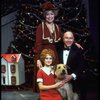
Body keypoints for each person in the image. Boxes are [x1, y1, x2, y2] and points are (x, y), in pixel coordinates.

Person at [33, 1, 83, 92]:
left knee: (55, 77)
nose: (50, 16)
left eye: (52, 14)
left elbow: (64, 37)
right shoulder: (41, 27)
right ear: (45, 15)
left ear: (54, 15)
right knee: (45, 77)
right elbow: (38, 43)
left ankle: (55, 95)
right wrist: (38, 59)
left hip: (55, 55)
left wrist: (75, 42)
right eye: (47, 14)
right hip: (44, 56)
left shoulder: (57, 27)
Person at [57, 30, 86, 100]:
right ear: (63, 39)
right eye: (66, 38)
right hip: (60, 77)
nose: (68, 40)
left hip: (73, 77)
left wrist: (72, 76)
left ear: (73, 39)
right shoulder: (58, 48)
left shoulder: (78, 50)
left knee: (83, 79)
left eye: (71, 38)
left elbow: (81, 65)